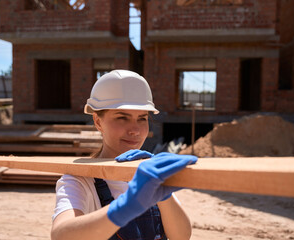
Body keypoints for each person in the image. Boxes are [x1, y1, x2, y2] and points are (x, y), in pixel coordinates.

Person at [51, 70, 198, 240]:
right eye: (122, 118)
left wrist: (164, 196)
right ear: (98, 122)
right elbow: (60, 235)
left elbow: (181, 237)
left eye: (142, 119)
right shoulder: (79, 180)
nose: (135, 130)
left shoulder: (149, 174)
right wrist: (125, 207)